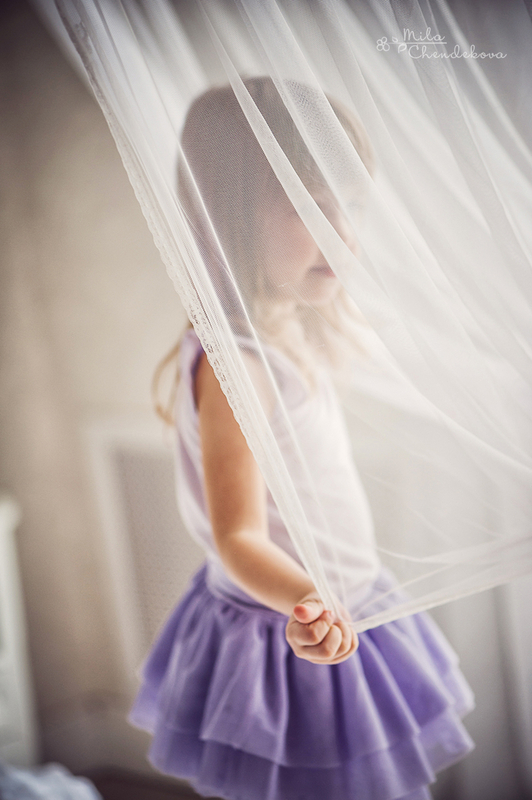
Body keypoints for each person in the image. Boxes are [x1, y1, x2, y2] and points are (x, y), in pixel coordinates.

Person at [129, 77, 474, 800]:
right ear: (229, 219)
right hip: (292, 631)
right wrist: (311, 602)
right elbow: (238, 536)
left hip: (344, 605)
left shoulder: (289, 327)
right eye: (308, 207)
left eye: (352, 206)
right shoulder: (235, 367)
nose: (342, 233)